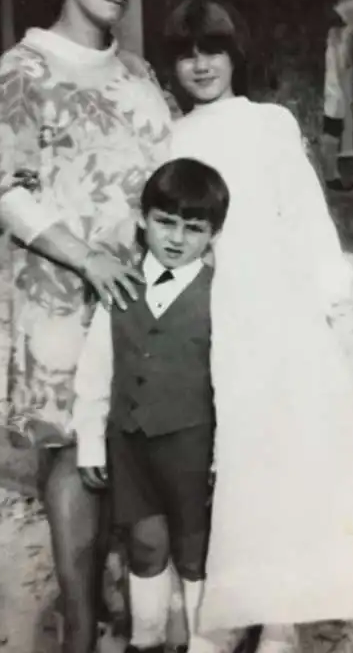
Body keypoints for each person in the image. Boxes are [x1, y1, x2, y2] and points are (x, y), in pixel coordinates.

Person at [0, 0, 174, 653]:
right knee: (69, 449)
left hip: (145, 291)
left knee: (138, 443)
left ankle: (139, 615)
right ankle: (80, 628)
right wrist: (86, 256)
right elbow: (7, 188)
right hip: (62, 289)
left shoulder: (140, 72)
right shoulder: (22, 70)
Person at [164, 0, 353, 652]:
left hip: (275, 305)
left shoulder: (269, 123)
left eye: (213, 49)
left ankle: (280, 614)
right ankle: (225, 610)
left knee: (280, 453)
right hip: (207, 305)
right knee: (220, 458)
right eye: (186, 52)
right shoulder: (172, 136)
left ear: (236, 55)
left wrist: (318, 292)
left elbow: (302, 210)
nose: (200, 64)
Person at [72, 158, 229, 653]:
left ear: (212, 235)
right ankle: (147, 638)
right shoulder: (119, 285)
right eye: (165, 222)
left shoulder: (219, 297)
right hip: (130, 444)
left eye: (193, 228)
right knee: (145, 544)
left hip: (191, 443)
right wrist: (91, 442)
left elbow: (228, 383)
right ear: (143, 219)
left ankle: (205, 641)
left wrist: (222, 456)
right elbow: (96, 370)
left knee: (193, 550)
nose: (177, 238)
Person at [321, 0, 353, 190]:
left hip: (332, 91)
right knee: (331, 132)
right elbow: (345, 64)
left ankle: (331, 174)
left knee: (331, 131)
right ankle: (330, 175)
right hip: (332, 91)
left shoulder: (332, 38)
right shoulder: (338, 39)